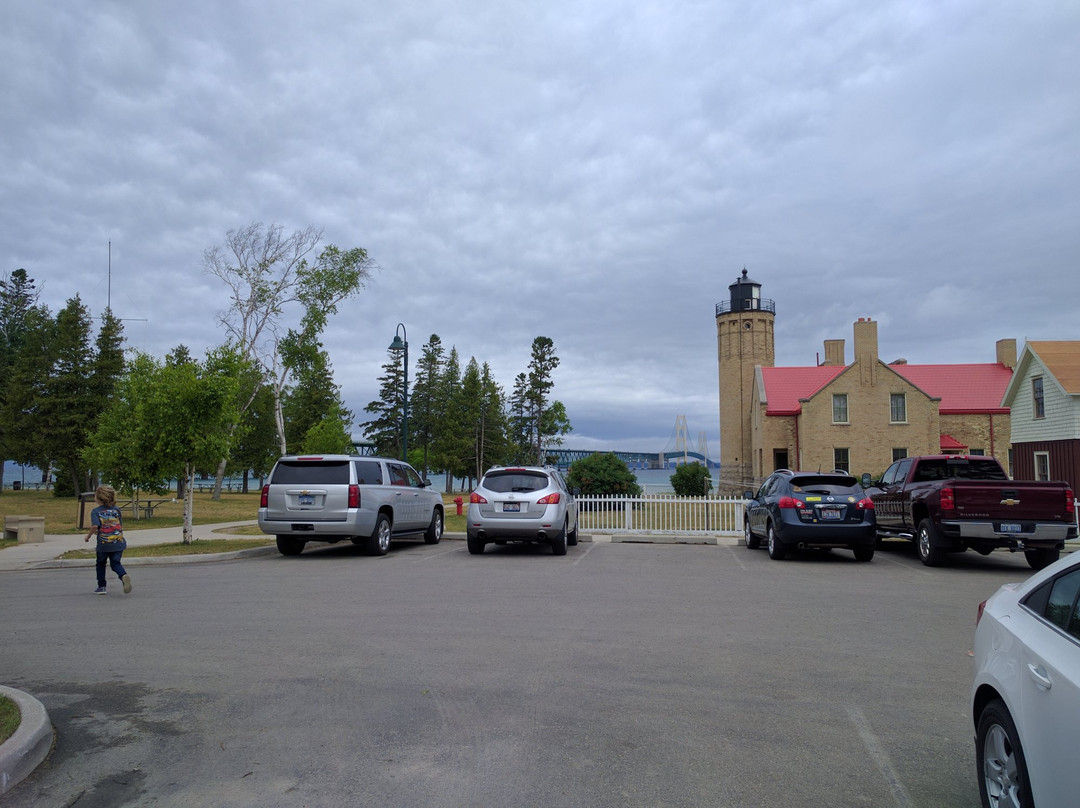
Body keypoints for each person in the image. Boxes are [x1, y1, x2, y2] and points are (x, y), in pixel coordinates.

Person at [83, 484, 132, 595]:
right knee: (115, 563)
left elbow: (95, 526)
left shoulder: (96, 511)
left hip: (104, 544)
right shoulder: (116, 510)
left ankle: (102, 586)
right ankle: (123, 575)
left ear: (99, 498)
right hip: (118, 542)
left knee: (100, 563)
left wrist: (88, 536)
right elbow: (119, 525)